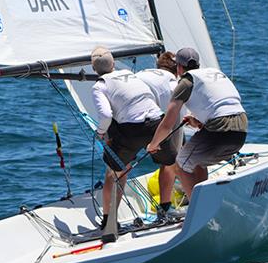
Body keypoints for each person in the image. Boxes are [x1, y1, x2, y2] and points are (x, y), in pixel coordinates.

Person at [90, 47, 180, 229]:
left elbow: (106, 115)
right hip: (156, 123)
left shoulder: (99, 85)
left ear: (93, 68)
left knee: (116, 171)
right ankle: (165, 209)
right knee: (169, 163)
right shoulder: (131, 75)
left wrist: (100, 132)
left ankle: (109, 221)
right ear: (114, 63)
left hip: (130, 130)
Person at [147, 47, 247, 199]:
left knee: (180, 164)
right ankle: (203, 201)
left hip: (219, 130)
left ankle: (198, 208)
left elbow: (168, 122)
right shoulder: (215, 73)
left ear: (179, 67)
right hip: (241, 129)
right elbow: (220, 106)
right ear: (198, 64)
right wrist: (196, 121)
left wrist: (153, 144)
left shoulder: (186, 82)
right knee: (198, 161)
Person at [135, 51, 183, 217]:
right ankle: (165, 208)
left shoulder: (141, 74)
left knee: (120, 166)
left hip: (125, 121)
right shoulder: (173, 82)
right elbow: (177, 113)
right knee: (170, 162)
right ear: (177, 69)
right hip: (151, 120)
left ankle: (109, 215)